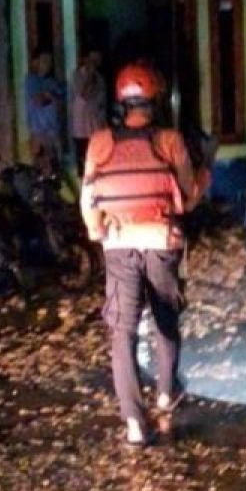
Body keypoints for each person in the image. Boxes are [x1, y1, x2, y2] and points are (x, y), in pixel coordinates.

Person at [80, 62, 209, 447]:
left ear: (121, 102)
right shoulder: (170, 140)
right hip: (161, 239)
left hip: (118, 243)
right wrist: (207, 172)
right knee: (164, 317)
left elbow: (89, 197)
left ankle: (134, 422)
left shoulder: (99, 142)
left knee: (122, 331)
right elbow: (186, 199)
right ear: (155, 101)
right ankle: (167, 392)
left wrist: (95, 231)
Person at [24, 49, 64, 177]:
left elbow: (61, 98)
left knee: (54, 170)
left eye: (50, 61)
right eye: (44, 61)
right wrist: (51, 96)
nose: (48, 64)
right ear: (36, 62)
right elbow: (39, 101)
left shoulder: (52, 82)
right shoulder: (31, 80)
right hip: (39, 133)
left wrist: (49, 95)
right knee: (40, 172)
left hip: (53, 132)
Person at [69, 49, 106, 176]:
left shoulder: (100, 79)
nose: (95, 63)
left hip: (96, 128)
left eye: (98, 60)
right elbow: (83, 94)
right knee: (83, 165)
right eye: (92, 60)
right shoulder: (77, 75)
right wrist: (89, 76)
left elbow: (101, 103)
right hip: (81, 129)